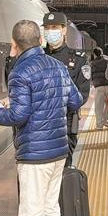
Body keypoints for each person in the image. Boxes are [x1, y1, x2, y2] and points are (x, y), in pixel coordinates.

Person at [0, 19, 83, 216]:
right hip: (58, 150)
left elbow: (18, 115)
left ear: (14, 44)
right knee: (50, 210)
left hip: (34, 153)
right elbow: (75, 100)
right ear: (40, 40)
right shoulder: (58, 66)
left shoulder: (20, 72)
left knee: (31, 214)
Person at [43, 12, 90, 166]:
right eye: (47, 28)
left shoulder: (78, 60)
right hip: (39, 127)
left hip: (65, 125)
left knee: (63, 169)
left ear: (64, 30)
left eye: (54, 27)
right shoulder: (38, 57)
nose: (50, 31)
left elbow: (82, 95)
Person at [90, 47, 108, 129]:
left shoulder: (92, 63)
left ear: (94, 54)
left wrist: (92, 83)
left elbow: (90, 75)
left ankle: (99, 125)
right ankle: (106, 120)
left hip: (99, 86)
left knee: (98, 107)